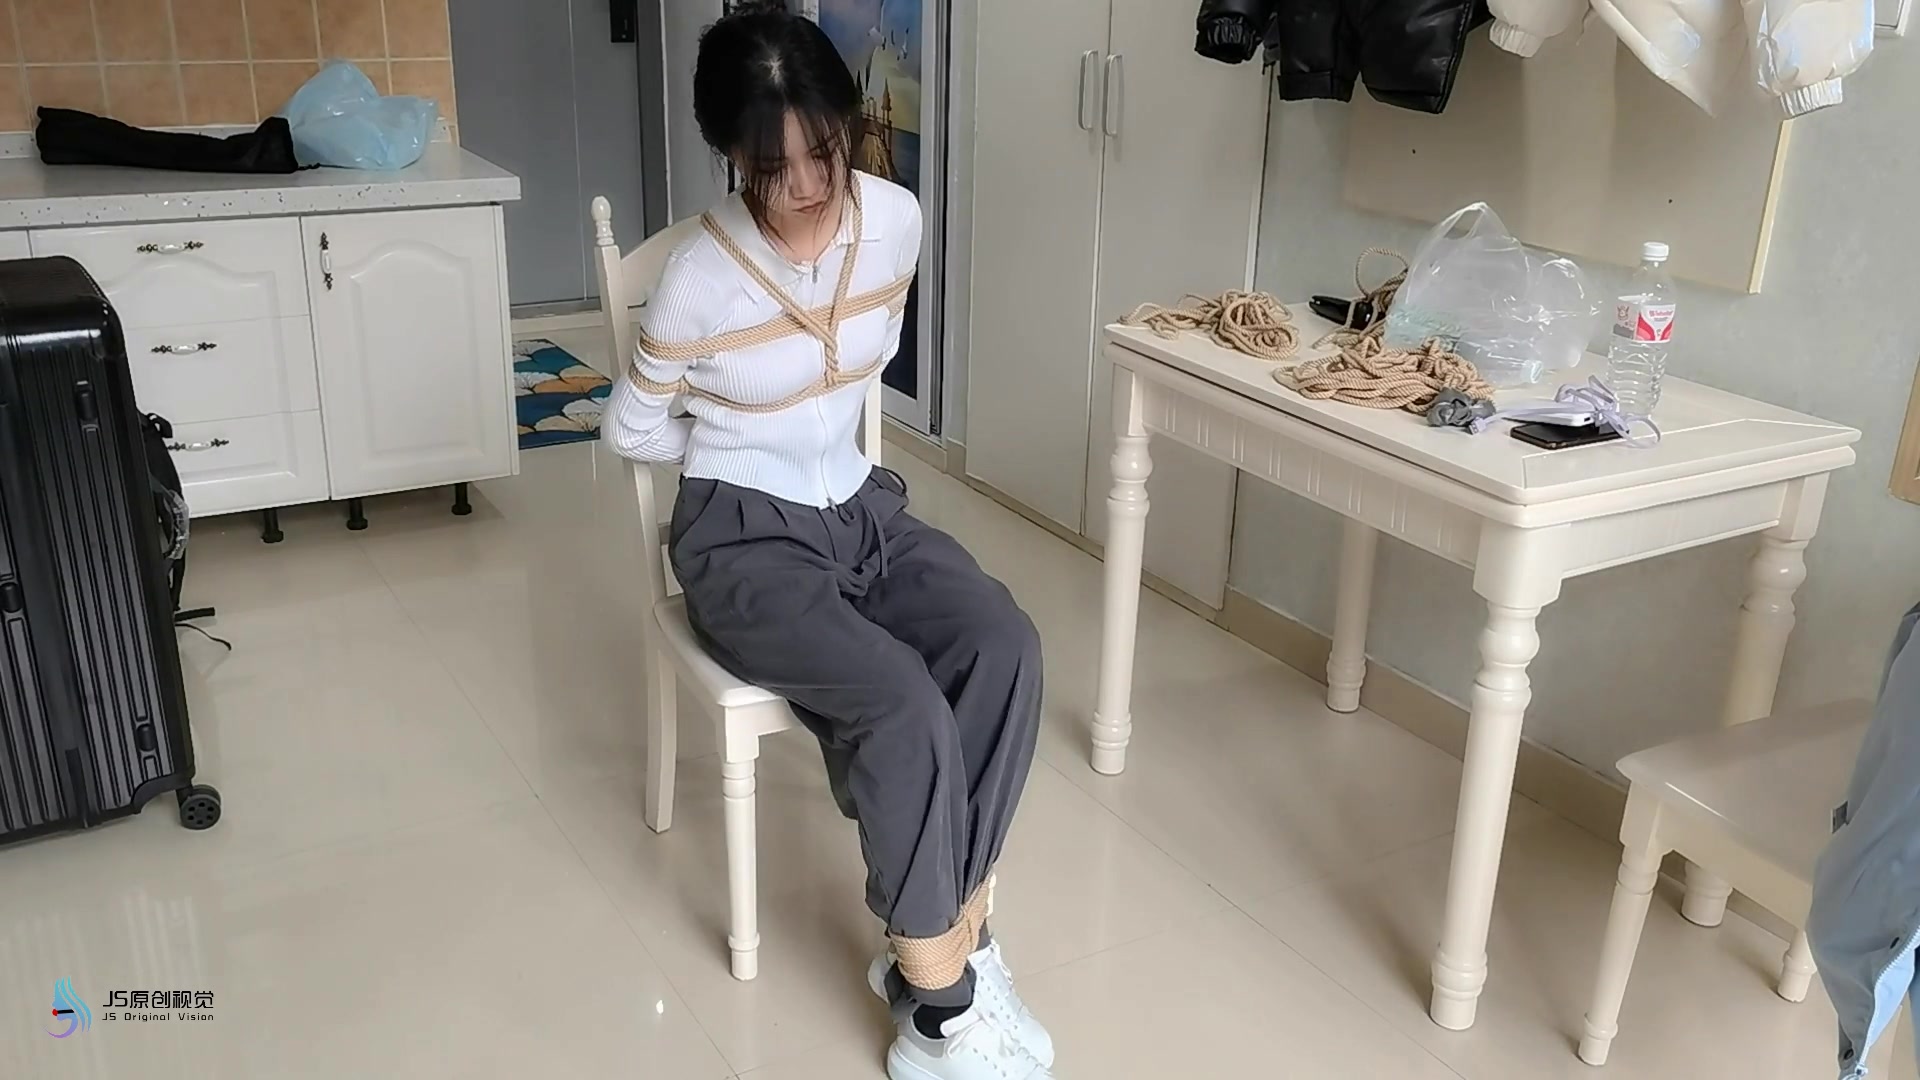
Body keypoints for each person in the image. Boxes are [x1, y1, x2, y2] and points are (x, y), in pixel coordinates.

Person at [602, 5, 1052, 1078]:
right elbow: (631, 428)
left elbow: (859, 363)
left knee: (1005, 647)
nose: (807, 185)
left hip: (859, 505)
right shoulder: (698, 279)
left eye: (825, 151)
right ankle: (942, 1007)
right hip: (740, 537)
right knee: (900, 702)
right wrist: (734, 445)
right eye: (774, 167)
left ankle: (940, 938)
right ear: (729, 156)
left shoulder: (895, 220)